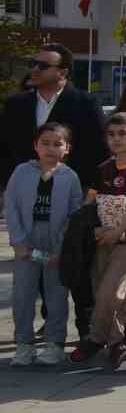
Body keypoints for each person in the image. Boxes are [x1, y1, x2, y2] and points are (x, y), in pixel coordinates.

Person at [73, 114, 126, 367]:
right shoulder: (102, 169)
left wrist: (117, 230)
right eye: (111, 135)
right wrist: (93, 229)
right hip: (102, 238)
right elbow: (90, 202)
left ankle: (95, 338)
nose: (116, 139)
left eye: (123, 133)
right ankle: (115, 342)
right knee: (103, 291)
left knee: (109, 291)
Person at [6, 123, 83, 366]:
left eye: (57, 143)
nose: (51, 148)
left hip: (55, 244)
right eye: (45, 143)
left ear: (67, 148)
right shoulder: (21, 172)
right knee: (23, 295)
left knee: (56, 295)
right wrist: (18, 242)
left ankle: (55, 343)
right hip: (27, 241)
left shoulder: (70, 177)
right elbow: (12, 207)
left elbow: (74, 215)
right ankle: (24, 344)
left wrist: (61, 250)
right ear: (36, 146)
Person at [3, 43, 106, 184]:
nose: (35, 69)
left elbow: (98, 150)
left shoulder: (86, 103)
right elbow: (5, 148)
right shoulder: (16, 104)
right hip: (22, 189)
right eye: (33, 63)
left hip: (70, 190)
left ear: (63, 73)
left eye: (43, 66)